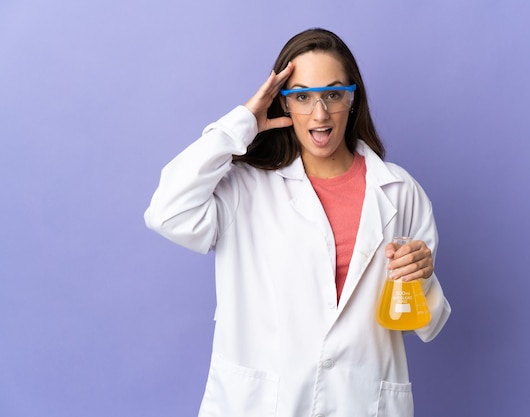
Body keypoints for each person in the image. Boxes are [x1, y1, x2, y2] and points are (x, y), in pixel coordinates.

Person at [145, 28, 451, 417]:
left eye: (333, 94)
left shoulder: (399, 190)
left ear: (352, 99)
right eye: (302, 96)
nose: (319, 113)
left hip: (360, 402)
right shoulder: (246, 187)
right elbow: (166, 212)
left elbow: (429, 324)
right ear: (283, 104)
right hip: (263, 405)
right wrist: (241, 124)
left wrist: (421, 275)